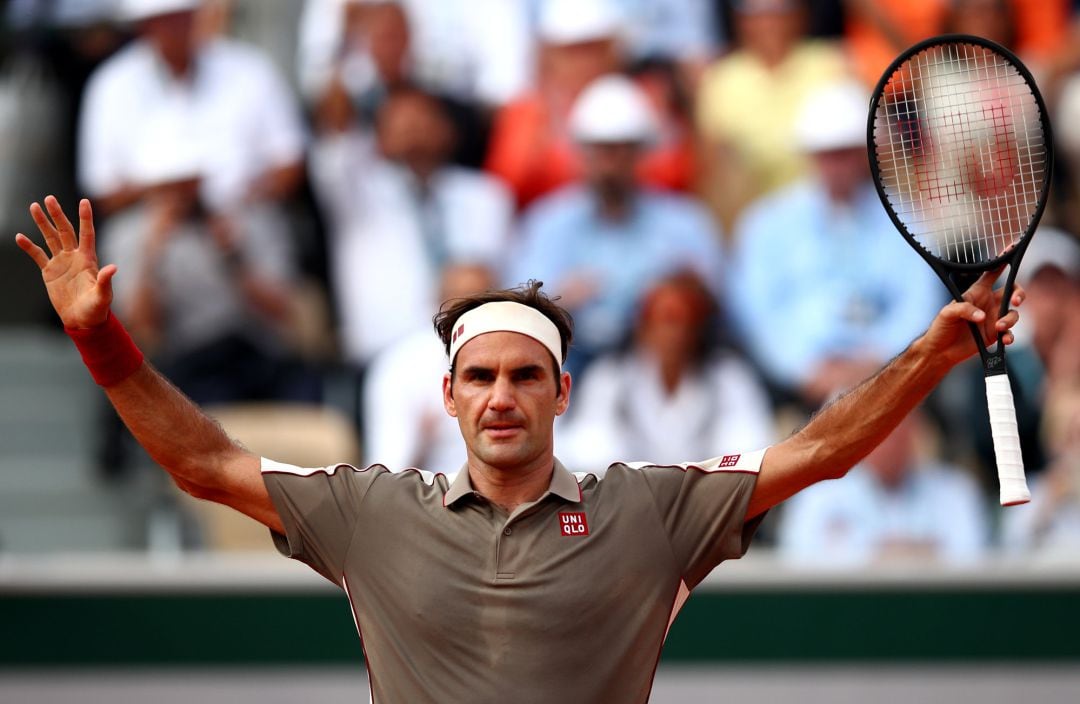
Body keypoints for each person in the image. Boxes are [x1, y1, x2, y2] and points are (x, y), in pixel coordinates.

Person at [16, 195, 1025, 702]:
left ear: (562, 393)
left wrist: (931, 351)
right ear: (447, 394)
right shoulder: (371, 509)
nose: (503, 395)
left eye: (525, 375)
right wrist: (104, 341)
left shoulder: (651, 504)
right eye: (482, 376)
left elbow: (821, 450)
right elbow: (204, 465)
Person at [728, 79, 944, 407]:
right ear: (810, 156)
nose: (837, 165)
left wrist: (877, 361)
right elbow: (757, 314)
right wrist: (804, 369)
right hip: (795, 389)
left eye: (846, 153)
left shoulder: (906, 218)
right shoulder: (767, 224)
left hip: (889, 383)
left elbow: (919, 304)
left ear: (864, 153)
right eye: (828, 154)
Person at [507, 72, 722, 371]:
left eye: (622, 149)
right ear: (580, 153)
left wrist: (671, 295)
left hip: (658, 368)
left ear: (642, 152)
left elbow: (713, 308)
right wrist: (560, 299)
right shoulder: (547, 223)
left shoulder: (685, 223)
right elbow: (519, 314)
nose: (611, 163)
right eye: (601, 150)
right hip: (569, 365)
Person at [561, 271, 774, 471]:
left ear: (700, 328)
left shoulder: (729, 378)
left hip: (711, 501)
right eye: (665, 321)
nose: (674, 334)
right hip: (627, 501)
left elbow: (751, 447)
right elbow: (588, 452)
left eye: (685, 322)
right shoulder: (609, 378)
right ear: (642, 326)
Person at [778, 411, 990, 567]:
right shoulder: (817, 494)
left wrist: (870, 554)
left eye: (899, 427)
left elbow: (972, 563)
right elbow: (798, 564)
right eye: (879, 429)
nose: (889, 440)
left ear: (916, 431)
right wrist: (896, 554)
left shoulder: (956, 491)